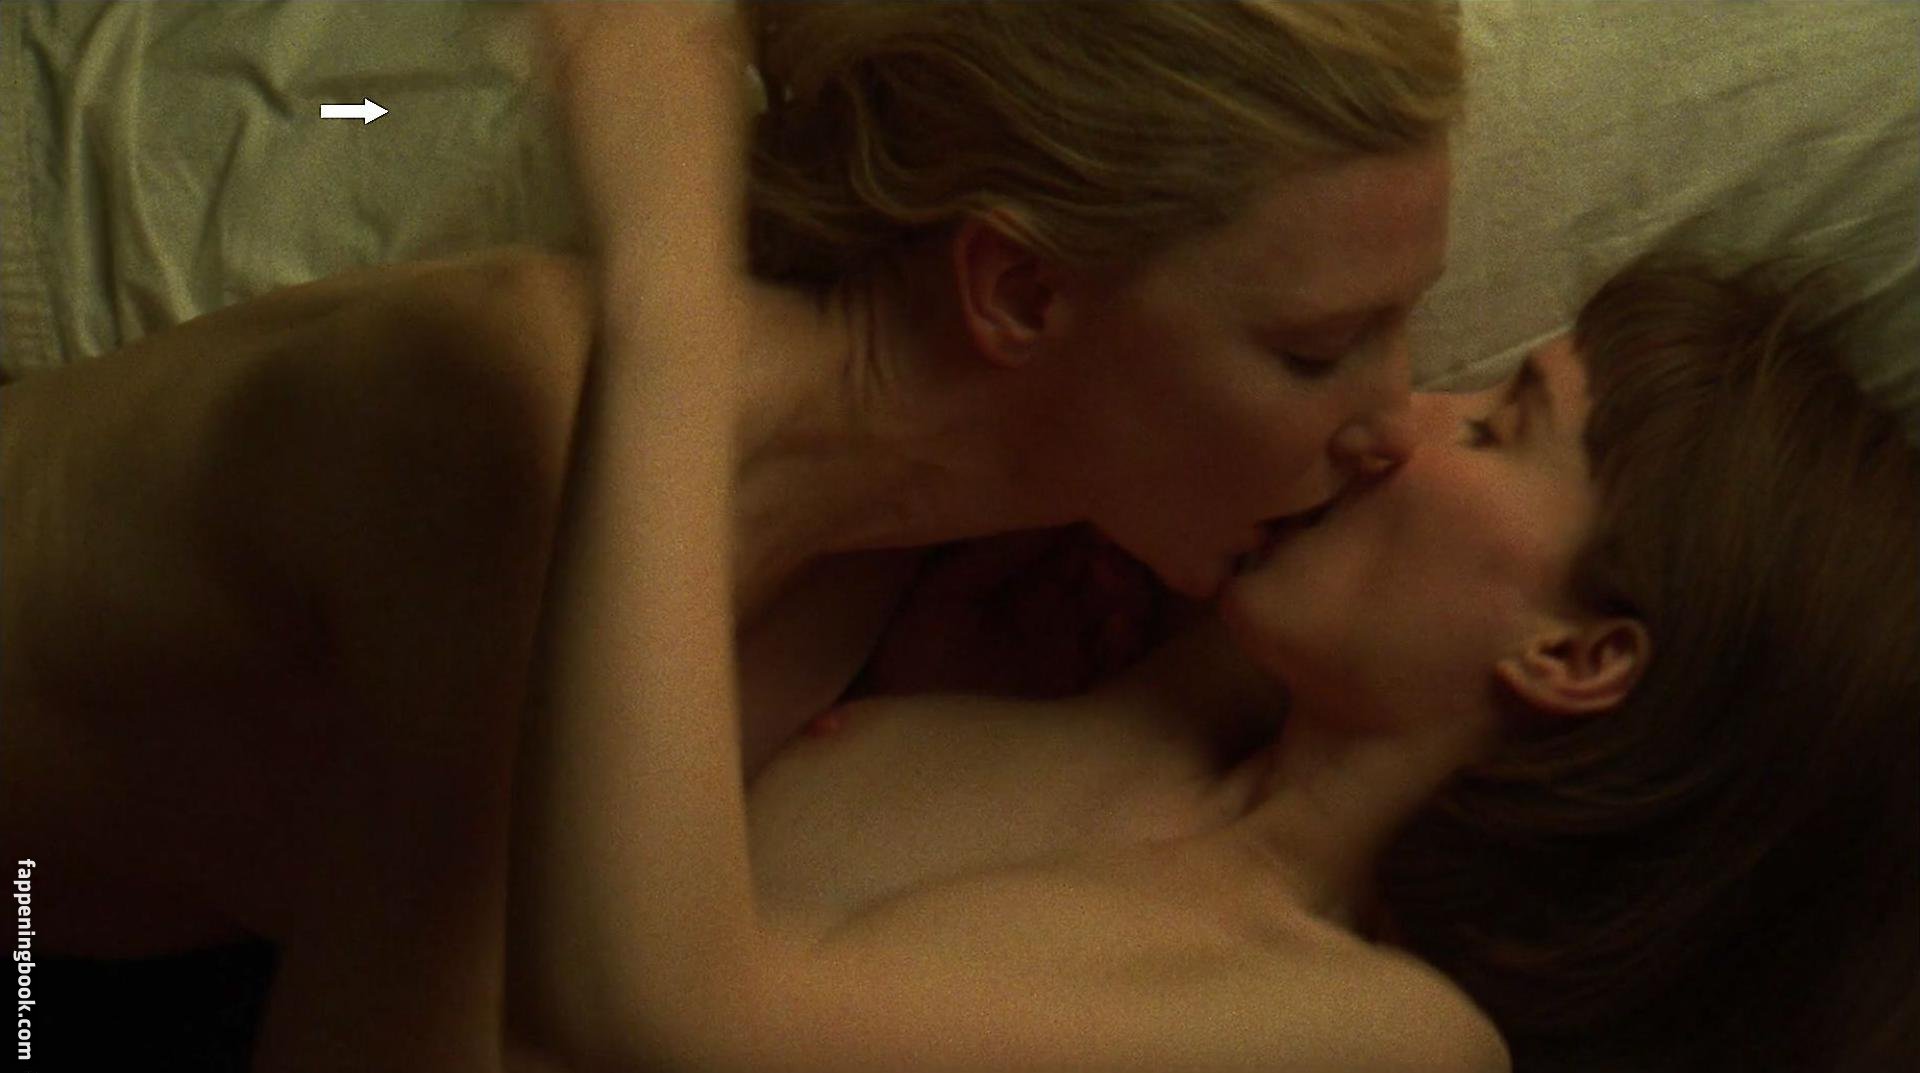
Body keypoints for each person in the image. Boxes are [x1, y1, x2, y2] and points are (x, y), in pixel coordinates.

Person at [0, 1, 1463, 1066]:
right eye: (1316, 350)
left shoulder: (949, 549)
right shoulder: (544, 435)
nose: (1397, 420)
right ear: (1017, 294)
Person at [520, 248, 1920, 1073]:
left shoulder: (1392, 1039)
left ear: (1578, 652)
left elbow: (653, 1013)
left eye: (1499, 429)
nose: (1404, 420)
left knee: (519, 353)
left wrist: (664, 240)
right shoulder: (1157, 684)